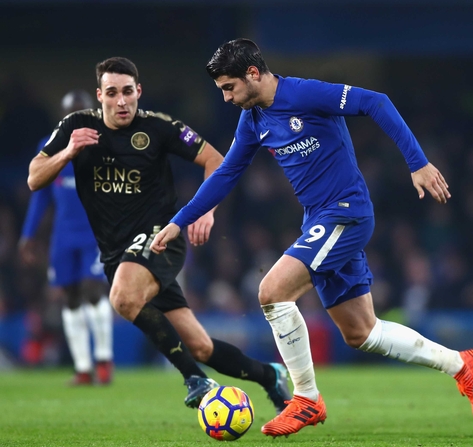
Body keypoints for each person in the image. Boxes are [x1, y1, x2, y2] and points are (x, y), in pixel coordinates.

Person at [149, 38, 473, 438]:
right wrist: (181, 220)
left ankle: (306, 398)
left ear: (253, 74)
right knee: (361, 332)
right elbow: (226, 174)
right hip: (319, 219)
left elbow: (376, 102)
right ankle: (461, 364)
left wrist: (418, 163)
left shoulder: (304, 94)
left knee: (272, 292)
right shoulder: (253, 120)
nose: (226, 98)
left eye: (229, 87)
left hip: (346, 212)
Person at [27, 57, 292, 413]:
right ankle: (270, 375)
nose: (121, 101)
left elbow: (216, 160)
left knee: (122, 298)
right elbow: (34, 178)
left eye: (127, 92)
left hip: (161, 237)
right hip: (119, 254)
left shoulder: (159, 127)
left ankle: (194, 379)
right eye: (112, 93)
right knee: (200, 346)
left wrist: (205, 210)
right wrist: (69, 152)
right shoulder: (76, 126)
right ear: (100, 96)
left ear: (138, 91)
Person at [20, 89, 114, 386]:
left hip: (95, 233)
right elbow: (40, 195)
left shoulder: (105, 145)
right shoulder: (48, 147)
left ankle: (103, 360)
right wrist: (28, 234)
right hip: (63, 236)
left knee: (93, 291)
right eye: (71, 114)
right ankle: (83, 368)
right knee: (70, 297)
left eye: (81, 113)